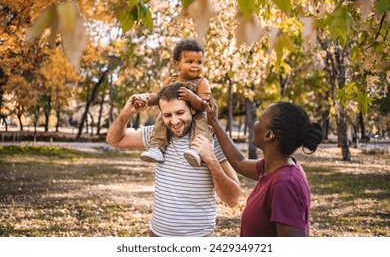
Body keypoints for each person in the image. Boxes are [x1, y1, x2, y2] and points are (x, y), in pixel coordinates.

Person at [106, 83, 240, 237]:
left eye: (180, 112)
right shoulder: (158, 135)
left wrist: (211, 160)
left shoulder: (211, 139)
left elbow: (233, 200)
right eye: (167, 115)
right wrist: (127, 112)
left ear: (192, 109)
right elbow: (114, 140)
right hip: (157, 235)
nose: (174, 121)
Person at [198, 99, 323, 237]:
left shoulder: (285, 184)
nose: (254, 123)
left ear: (269, 135)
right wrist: (214, 123)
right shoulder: (271, 167)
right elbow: (239, 162)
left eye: (258, 119)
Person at [139, 39, 212, 167]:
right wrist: (146, 99)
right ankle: (157, 147)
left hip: (196, 113)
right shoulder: (171, 80)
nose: (195, 65)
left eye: (199, 62)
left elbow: (204, 105)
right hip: (175, 113)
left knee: (202, 123)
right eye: (190, 62)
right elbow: (159, 96)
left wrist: (192, 97)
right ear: (177, 64)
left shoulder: (202, 82)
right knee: (162, 118)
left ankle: (196, 150)